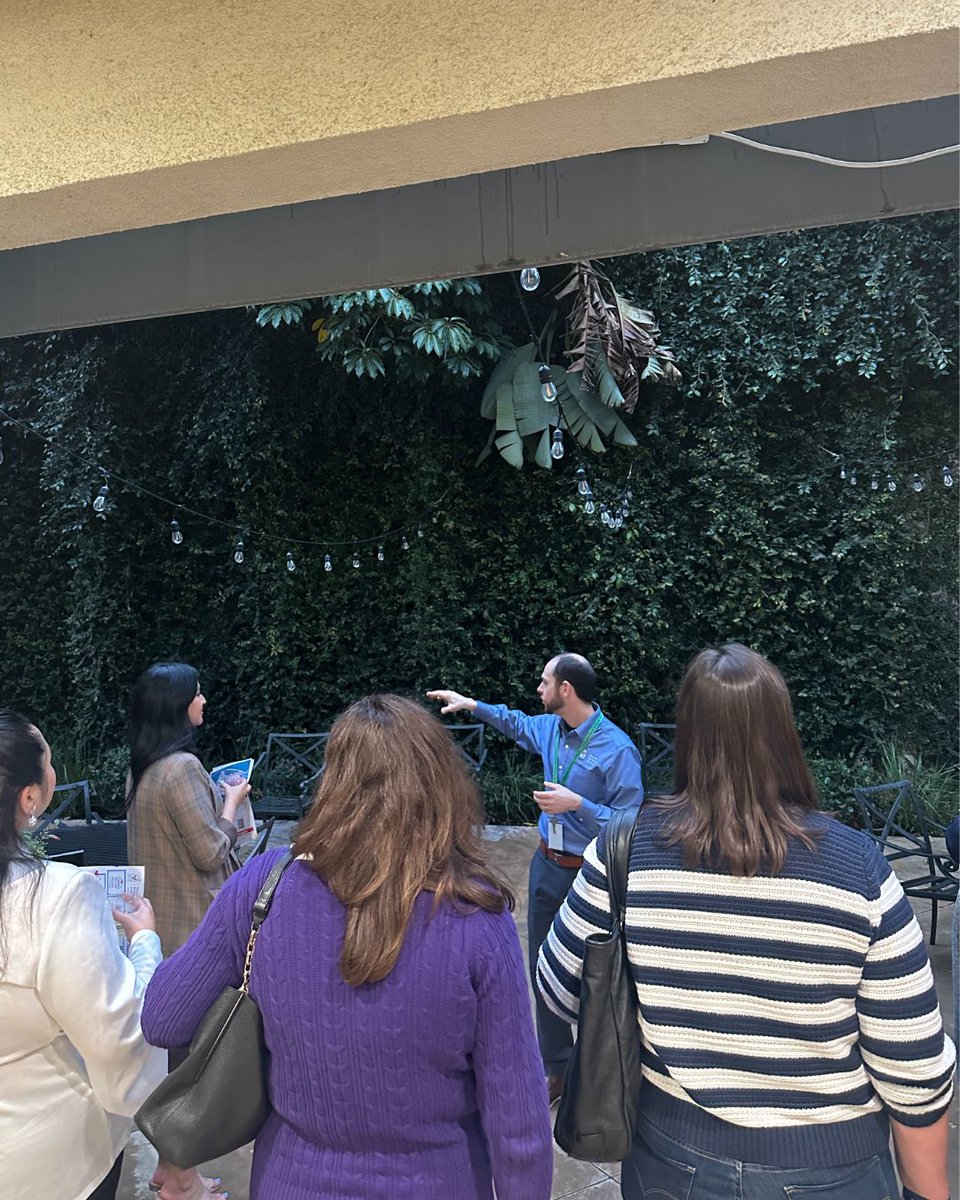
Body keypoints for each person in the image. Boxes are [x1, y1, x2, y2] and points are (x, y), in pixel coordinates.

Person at [538, 644, 956, 1200]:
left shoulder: (625, 850)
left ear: (687, 734)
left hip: (668, 1159)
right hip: (831, 1167)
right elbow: (914, 1067)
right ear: (783, 733)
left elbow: (557, 988)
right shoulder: (858, 870)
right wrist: (927, 1191)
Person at [139, 695, 552, 1200]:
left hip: (292, 1180)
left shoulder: (261, 888)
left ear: (332, 783)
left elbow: (162, 1018)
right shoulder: (477, 918)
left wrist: (144, 939)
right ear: (442, 785)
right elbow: (518, 1120)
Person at [428, 652, 643, 1102]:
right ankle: (558, 1068)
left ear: (566, 689)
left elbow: (630, 825)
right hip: (547, 865)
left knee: (597, 971)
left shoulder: (616, 749)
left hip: (595, 874)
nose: (538, 690)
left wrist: (577, 805)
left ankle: (603, 1066)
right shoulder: (550, 729)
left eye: (544, 683)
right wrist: (471, 704)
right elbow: (515, 722)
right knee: (541, 965)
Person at [0, 710, 166, 1200]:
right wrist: (144, 943)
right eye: (49, 759)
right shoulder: (57, 895)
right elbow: (120, 1040)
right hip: (53, 1164)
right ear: (30, 796)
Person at [126, 662, 247, 1200]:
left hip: (160, 929)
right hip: (196, 931)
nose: (205, 699)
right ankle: (179, 1179)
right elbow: (208, 852)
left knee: (177, 1057)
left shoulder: (144, 768)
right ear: (180, 704)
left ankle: (168, 1169)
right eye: (198, 692)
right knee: (196, 1064)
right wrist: (231, 804)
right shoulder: (181, 768)